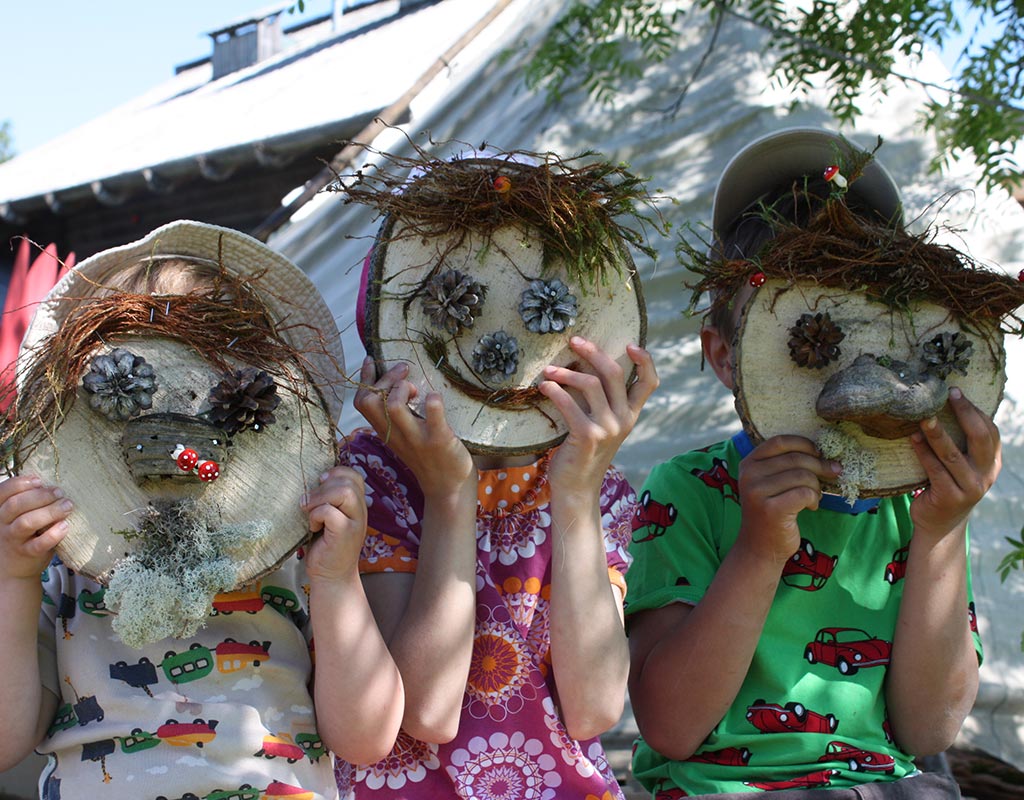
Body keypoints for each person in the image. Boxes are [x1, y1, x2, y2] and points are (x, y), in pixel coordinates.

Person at [626, 128, 1007, 798]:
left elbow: (929, 730)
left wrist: (942, 533)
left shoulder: (920, 503)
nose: (853, 362)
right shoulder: (687, 488)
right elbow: (671, 726)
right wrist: (759, 547)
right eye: (808, 334)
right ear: (725, 356)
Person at [0, 221, 403, 799]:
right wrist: (13, 581)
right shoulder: (64, 563)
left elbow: (367, 737)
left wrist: (337, 581)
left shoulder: (298, 556)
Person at [333, 149, 659, 798]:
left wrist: (574, 495)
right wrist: (450, 494)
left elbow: (595, 707)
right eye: (460, 308)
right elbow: (426, 711)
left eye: (541, 308)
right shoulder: (372, 477)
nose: (497, 348)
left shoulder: (598, 484)